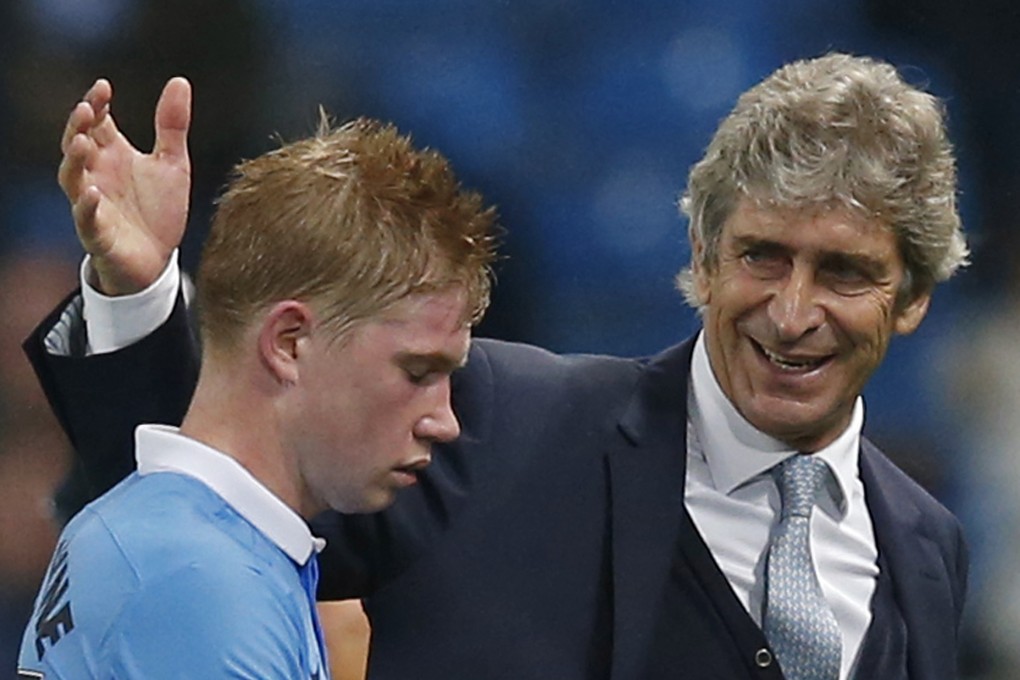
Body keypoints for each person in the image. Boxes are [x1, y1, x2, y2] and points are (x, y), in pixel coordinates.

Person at [25, 53, 968, 680]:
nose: (793, 311)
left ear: (915, 295)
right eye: (762, 255)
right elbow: (205, 497)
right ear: (702, 252)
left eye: (844, 271)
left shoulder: (927, 548)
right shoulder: (484, 421)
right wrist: (144, 294)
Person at [17, 76, 497, 679]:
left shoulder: (169, 538)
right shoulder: (202, 583)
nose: (445, 420)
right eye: (417, 370)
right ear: (289, 343)